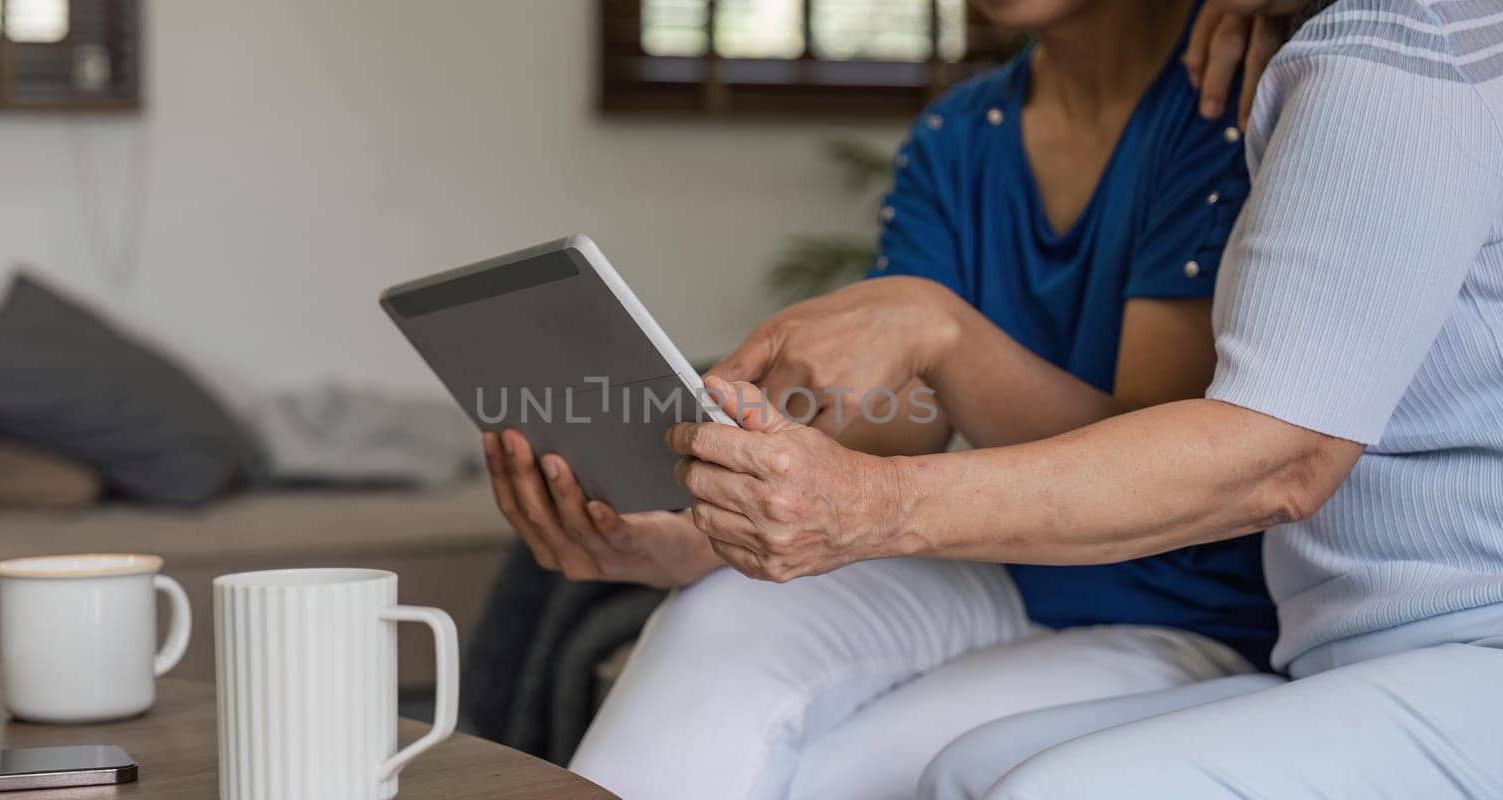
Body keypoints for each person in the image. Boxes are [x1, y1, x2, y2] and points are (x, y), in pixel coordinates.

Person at [669, 0, 1503, 796]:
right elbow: (895, 422)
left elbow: (1273, 461)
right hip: (1338, 647)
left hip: (1332, 630)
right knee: (957, 766)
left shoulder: (1372, 57)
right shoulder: (972, 131)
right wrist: (712, 522)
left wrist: (876, 494)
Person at [481, 1, 1283, 796]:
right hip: (992, 563)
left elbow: (1157, 464)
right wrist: (700, 533)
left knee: (845, 778)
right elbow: (902, 430)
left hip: (1180, 611)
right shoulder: (960, 134)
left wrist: (942, 332)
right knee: (719, 619)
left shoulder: (1225, 106)